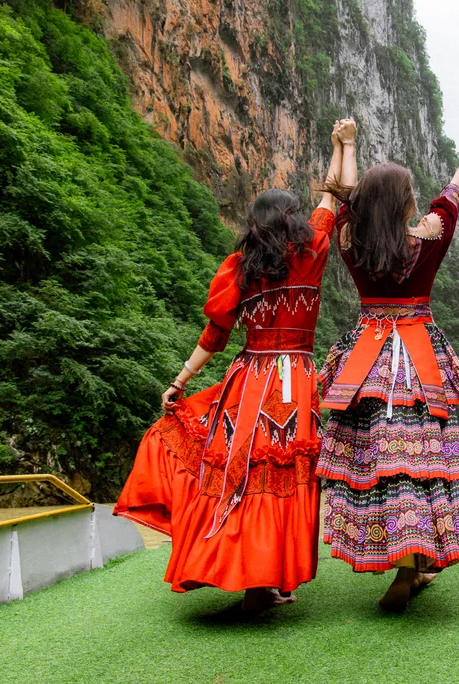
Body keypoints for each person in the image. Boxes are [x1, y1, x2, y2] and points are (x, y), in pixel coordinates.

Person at [113, 119, 357, 611]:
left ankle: (249, 578)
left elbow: (214, 336)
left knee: (238, 474)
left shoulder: (239, 269)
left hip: (245, 383)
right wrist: (341, 145)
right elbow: (333, 201)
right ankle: (270, 577)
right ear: (292, 221)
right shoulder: (310, 255)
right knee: (282, 474)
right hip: (293, 384)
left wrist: (180, 381)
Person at [315, 125, 459, 611]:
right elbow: (452, 198)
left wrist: (348, 146)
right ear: (406, 204)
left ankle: (408, 567)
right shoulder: (426, 240)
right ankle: (409, 568)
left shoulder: (350, 240)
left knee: (379, 460)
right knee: (419, 459)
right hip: (416, 354)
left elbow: (346, 200)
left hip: (368, 355)